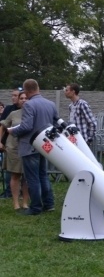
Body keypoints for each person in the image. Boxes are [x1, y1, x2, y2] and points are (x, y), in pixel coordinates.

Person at [10, 79, 59, 215]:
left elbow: (26, 126)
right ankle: (49, 204)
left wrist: (12, 131)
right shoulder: (51, 104)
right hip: (45, 145)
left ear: (26, 91)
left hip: (30, 145)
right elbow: (56, 124)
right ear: (38, 88)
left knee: (32, 178)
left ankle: (36, 207)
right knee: (43, 175)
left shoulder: (29, 105)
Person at [0, 92, 30, 210]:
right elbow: (3, 126)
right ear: (18, 100)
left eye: (26, 98)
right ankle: (16, 203)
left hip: (29, 148)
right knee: (15, 175)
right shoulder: (13, 113)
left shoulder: (33, 113)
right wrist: (0, 141)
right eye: (21, 98)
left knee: (27, 176)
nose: (24, 100)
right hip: (13, 147)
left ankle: (25, 202)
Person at [0, 89, 22, 199]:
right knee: (9, 169)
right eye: (12, 95)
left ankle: (22, 192)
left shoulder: (27, 110)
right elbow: (2, 126)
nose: (13, 97)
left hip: (22, 144)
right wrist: (0, 141)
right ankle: (8, 191)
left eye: (15, 95)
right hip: (9, 144)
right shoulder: (9, 109)